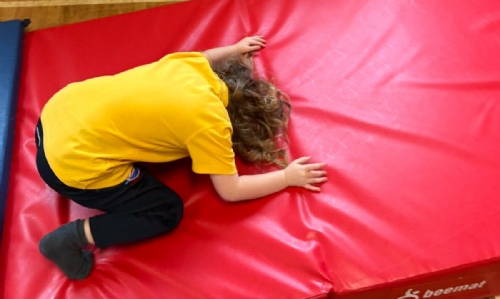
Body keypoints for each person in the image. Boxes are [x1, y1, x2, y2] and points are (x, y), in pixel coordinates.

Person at [35, 35, 327, 280]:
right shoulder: (211, 124)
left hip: (55, 114)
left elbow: (206, 56)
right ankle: (68, 239)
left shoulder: (190, 68)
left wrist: (235, 49)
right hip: (68, 166)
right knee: (166, 210)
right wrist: (287, 177)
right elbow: (231, 190)